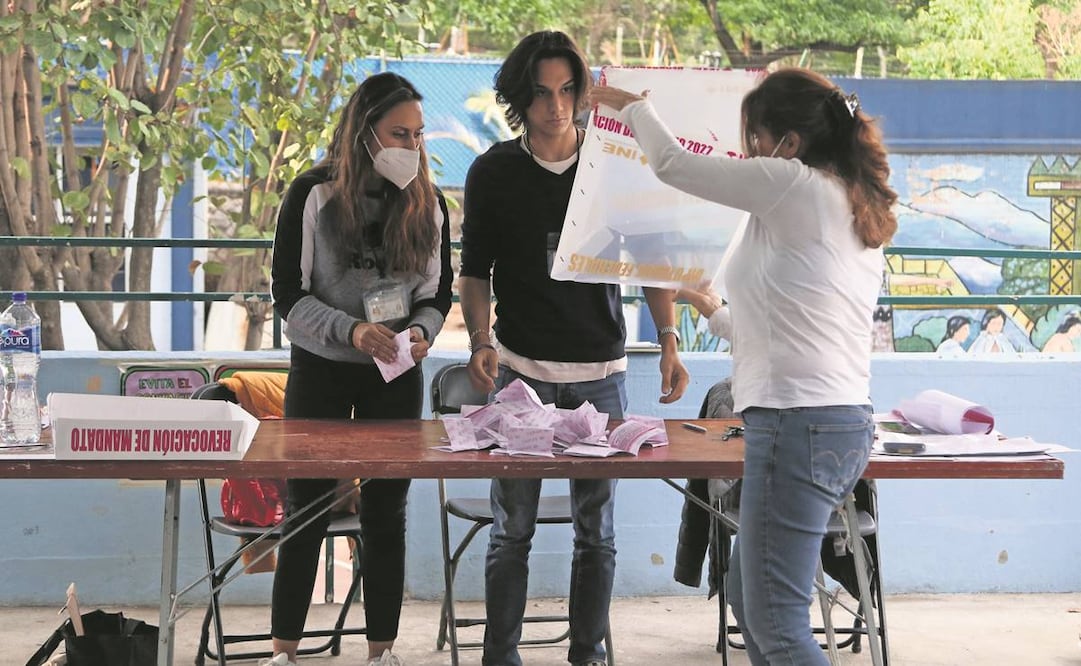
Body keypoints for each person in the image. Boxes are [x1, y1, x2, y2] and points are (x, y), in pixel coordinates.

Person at [592, 67, 897, 665]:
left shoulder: (791, 184)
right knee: (751, 597)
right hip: (832, 423)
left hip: (798, 426)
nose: (747, 153)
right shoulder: (844, 201)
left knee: (778, 623)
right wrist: (711, 308)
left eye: (753, 138)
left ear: (789, 141)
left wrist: (636, 110)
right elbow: (785, 324)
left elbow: (675, 165)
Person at [458, 30, 689, 666]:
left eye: (566, 92)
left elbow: (651, 261)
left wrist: (668, 340)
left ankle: (586, 655)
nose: (556, 106)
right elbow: (474, 271)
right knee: (512, 532)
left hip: (602, 374)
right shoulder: (493, 171)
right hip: (521, 374)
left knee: (598, 535)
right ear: (519, 99)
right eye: (541, 94)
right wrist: (480, 338)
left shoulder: (614, 165)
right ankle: (499, 657)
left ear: (583, 95)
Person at [265, 72, 453, 666]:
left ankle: (381, 651)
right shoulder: (312, 193)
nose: (411, 147)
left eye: (419, 136)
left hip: (394, 375)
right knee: (308, 508)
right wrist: (351, 330)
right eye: (400, 133)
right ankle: (284, 651)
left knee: (386, 514)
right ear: (364, 132)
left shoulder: (430, 201)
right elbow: (287, 293)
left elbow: (437, 292)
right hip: (322, 368)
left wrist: (420, 332)